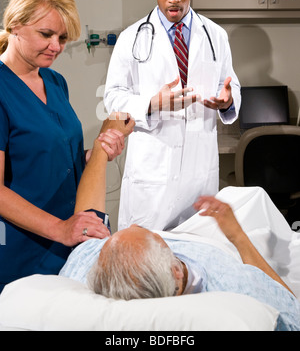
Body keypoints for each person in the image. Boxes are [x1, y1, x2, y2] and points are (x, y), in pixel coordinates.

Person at [60, 117, 300, 332]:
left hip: (184, 240)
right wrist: (236, 235)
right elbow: (290, 311)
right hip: (221, 242)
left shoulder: (90, 266)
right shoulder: (231, 283)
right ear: (177, 271)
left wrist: (103, 147)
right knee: (252, 197)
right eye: (146, 233)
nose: (134, 226)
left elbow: (88, 216)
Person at [0, 0, 127, 293]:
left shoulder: (55, 82)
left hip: (68, 245)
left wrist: (97, 154)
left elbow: (58, 157)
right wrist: (60, 229)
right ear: (15, 24)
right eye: (46, 34)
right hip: (23, 252)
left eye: (63, 37)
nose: (56, 46)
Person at [104, 0, 241, 231]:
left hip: (198, 172)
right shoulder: (131, 38)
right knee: (144, 263)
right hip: (152, 174)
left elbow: (230, 85)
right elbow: (113, 97)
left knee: (196, 263)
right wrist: (153, 104)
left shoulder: (215, 36)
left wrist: (226, 101)